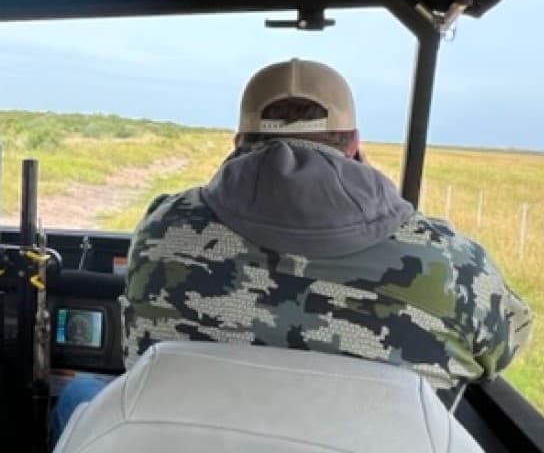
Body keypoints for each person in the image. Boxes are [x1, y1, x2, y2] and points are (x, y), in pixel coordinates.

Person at [53, 58, 532, 440]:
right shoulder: (451, 262)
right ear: (354, 144)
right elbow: (503, 346)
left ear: (239, 141)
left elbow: (138, 341)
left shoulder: (163, 229)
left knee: (78, 395)